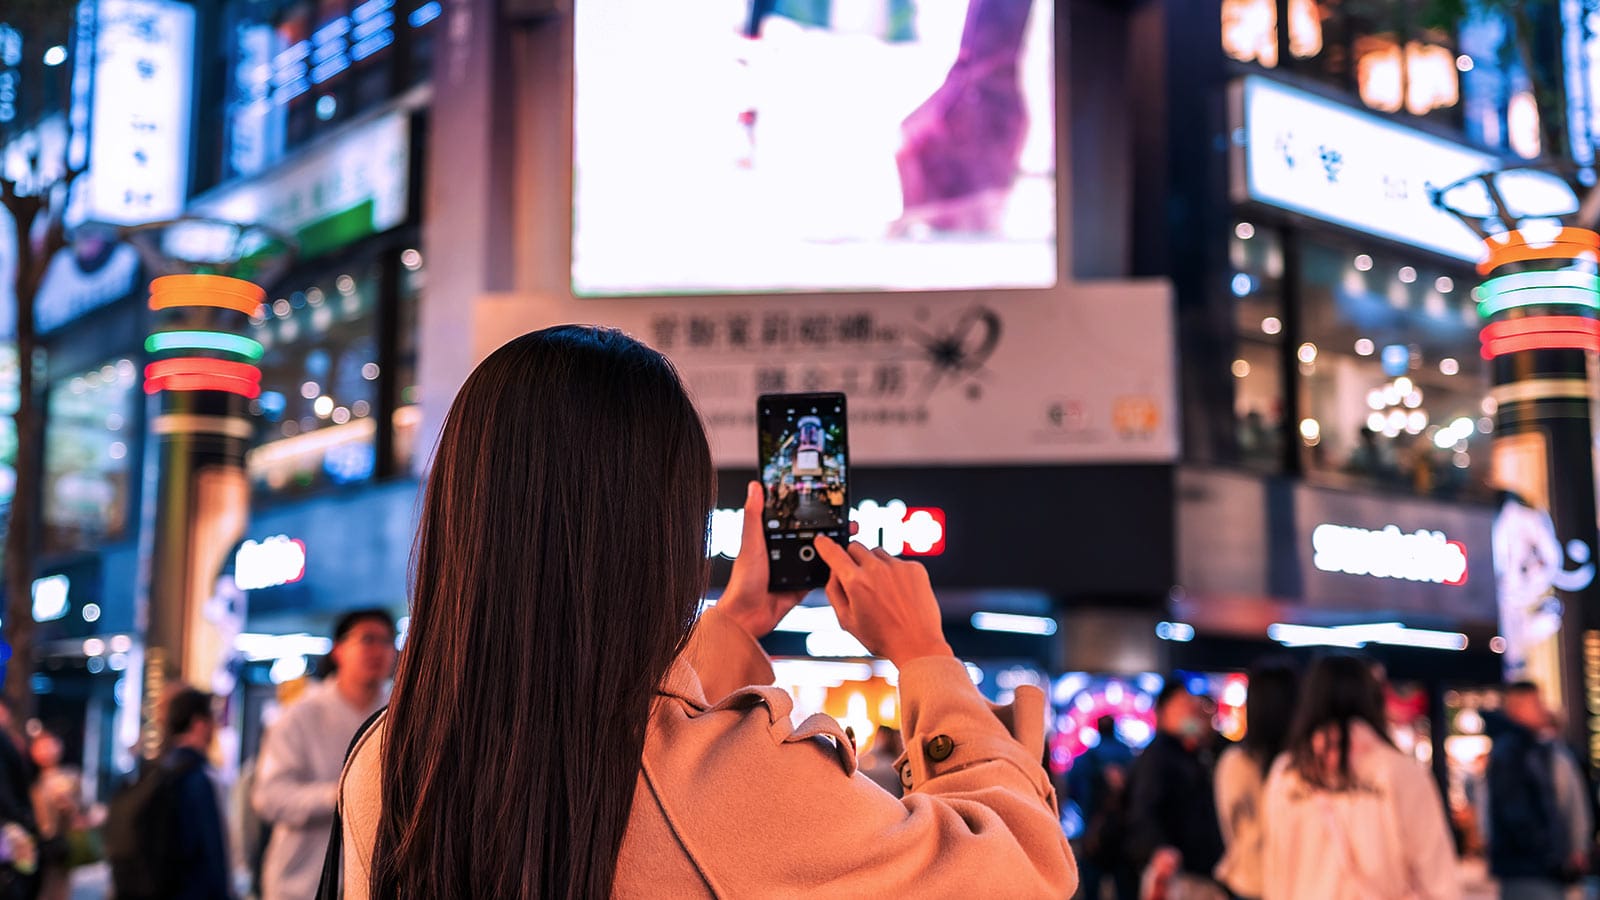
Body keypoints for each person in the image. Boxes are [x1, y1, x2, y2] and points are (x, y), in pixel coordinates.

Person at [337, 326, 1077, 898]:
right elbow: (1022, 869)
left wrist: (732, 623)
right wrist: (925, 657)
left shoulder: (386, 763)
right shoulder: (740, 781)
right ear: (662, 534)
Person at [1261, 655, 1458, 900]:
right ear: (1373, 698)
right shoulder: (1399, 771)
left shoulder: (1287, 773)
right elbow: (1436, 872)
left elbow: (1275, 869)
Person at [254, 608, 395, 900]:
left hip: (373, 883)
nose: (379, 650)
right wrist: (345, 794)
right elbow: (269, 797)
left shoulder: (398, 718)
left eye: (387, 641)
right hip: (302, 882)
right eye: (368, 639)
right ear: (339, 650)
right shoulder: (299, 715)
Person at [1484, 682, 1589, 899]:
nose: (1543, 709)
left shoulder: (1530, 749)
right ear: (1517, 708)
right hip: (1528, 870)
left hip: (1534, 868)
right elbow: (1516, 813)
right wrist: (1551, 852)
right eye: (1536, 703)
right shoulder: (1511, 752)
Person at [1126, 681, 1226, 898]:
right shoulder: (1158, 755)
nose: (1191, 710)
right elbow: (1144, 808)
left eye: (1192, 704)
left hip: (1199, 872)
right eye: (1182, 704)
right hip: (1175, 873)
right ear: (1163, 712)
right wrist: (1159, 849)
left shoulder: (1193, 751)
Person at [1214, 663, 1298, 900]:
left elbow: (1229, 823)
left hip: (1246, 878)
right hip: (1289, 882)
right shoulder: (1299, 765)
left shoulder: (1235, 761)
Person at [164, 688, 232, 900]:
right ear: (200, 723)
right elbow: (213, 852)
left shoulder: (157, 772)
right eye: (213, 719)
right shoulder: (200, 777)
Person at [1070, 716, 1137, 900]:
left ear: (1097, 729)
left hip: (1093, 833)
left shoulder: (1086, 758)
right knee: (1126, 892)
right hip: (1124, 835)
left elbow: (1071, 789)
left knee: (1092, 892)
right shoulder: (1129, 756)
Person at [27, 729, 80, 900]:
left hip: (61, 843)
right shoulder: (31, 780)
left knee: (57, 887)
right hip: (36, 843)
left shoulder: (71, 776)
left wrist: (68, 805)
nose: (45, 750)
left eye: (50, 745)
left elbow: (81, 809)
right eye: (40, 746)